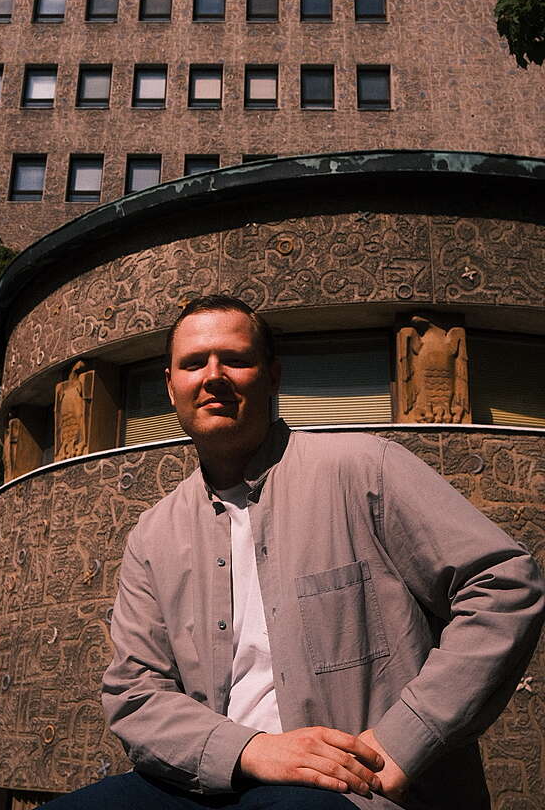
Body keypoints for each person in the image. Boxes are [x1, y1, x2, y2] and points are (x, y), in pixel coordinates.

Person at [42, 295, 544, 810]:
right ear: (172, 387)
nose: (213, 376)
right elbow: (135, 692)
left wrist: (406, 737)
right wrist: (250, 750)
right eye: (194, 363)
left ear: (273, 376)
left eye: (235, 359)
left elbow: (504, 584)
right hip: (204, 781)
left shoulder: (365, 470)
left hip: (350, 787)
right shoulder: (153, 536)